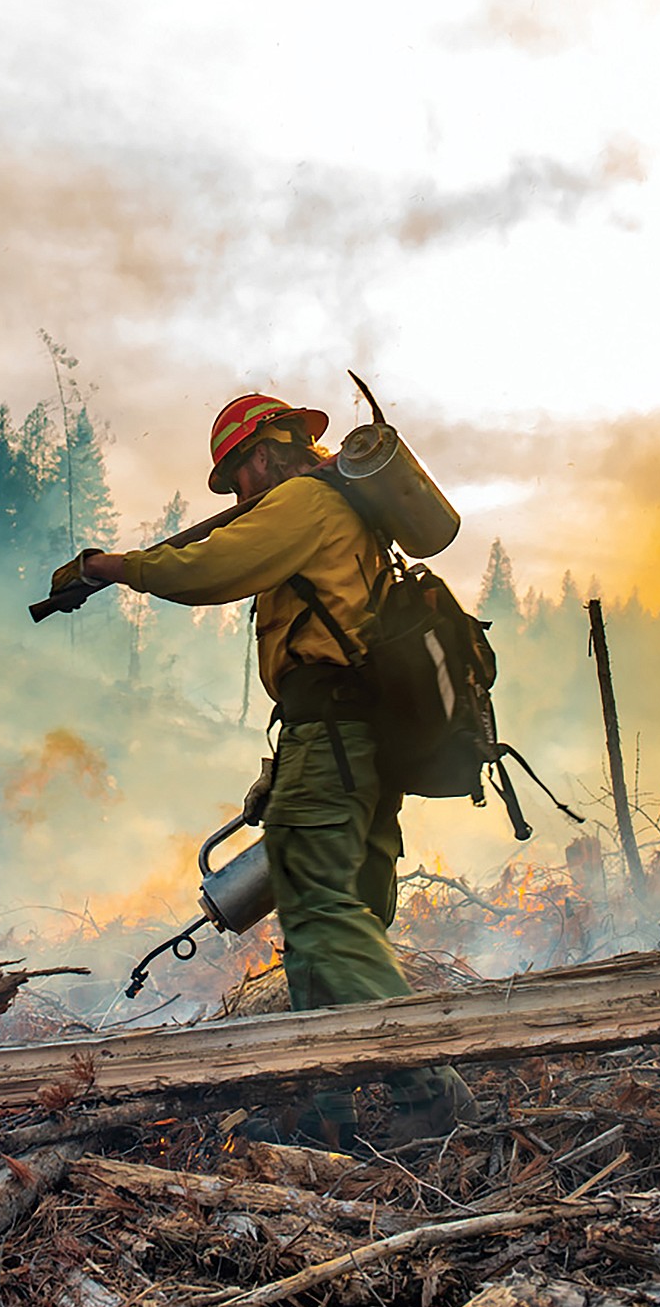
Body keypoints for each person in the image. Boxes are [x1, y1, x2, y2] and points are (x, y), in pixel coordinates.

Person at [54, 392, 473, 1149]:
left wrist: (113, 566)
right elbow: (330, 650)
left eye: (238, 470)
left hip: (338, 741)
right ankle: (326, 1111)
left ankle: (429, 1087)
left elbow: (211, 568)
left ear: (268, 449)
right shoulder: (338, 514)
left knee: (323, 917)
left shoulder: (305, 503)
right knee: (336, 923)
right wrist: (287, 766)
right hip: (351, 739)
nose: (238, 490)